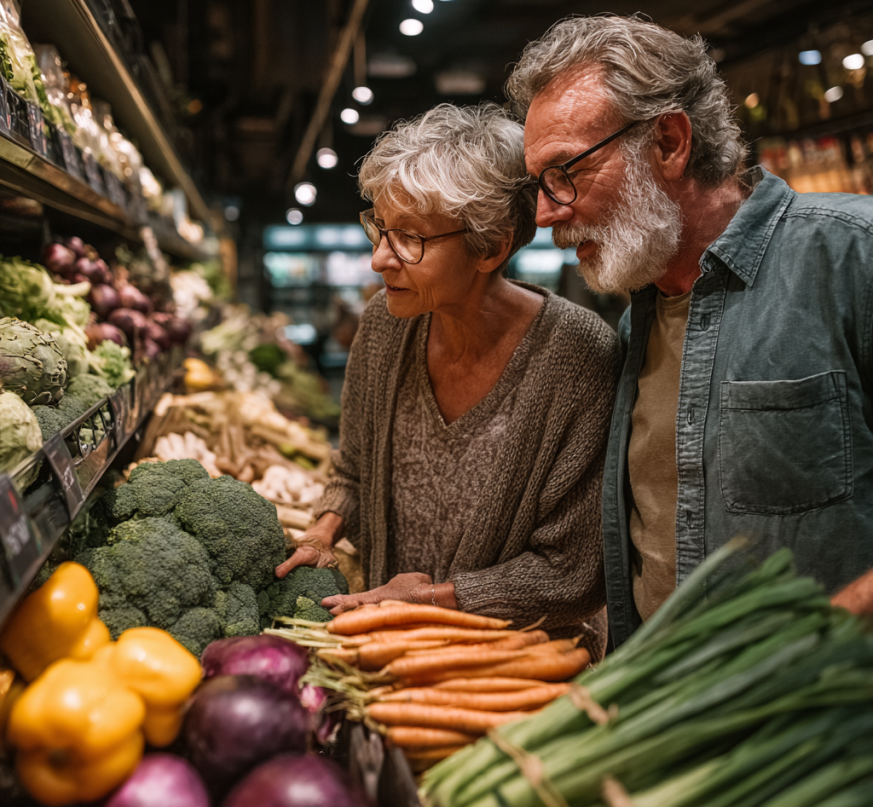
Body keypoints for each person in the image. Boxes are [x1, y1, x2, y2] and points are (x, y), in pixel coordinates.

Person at [509, 15, 873, 648]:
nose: (546, 213)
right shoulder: (638, 320)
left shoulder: (849, 255)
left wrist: (828, 638)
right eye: (539, 184)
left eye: (565, 172)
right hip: (674, 720)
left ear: (670, 143)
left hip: (820, 725)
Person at [276, 103, 620, 652]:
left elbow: (573, 573)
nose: (378, 259)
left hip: (520, 676)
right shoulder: (385, 327)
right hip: (393, 653)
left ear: (492, 246)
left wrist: (438, 600)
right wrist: (324, 530)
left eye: (409, 238)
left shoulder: (580, 357)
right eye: (379, 228)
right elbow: (356, 467)